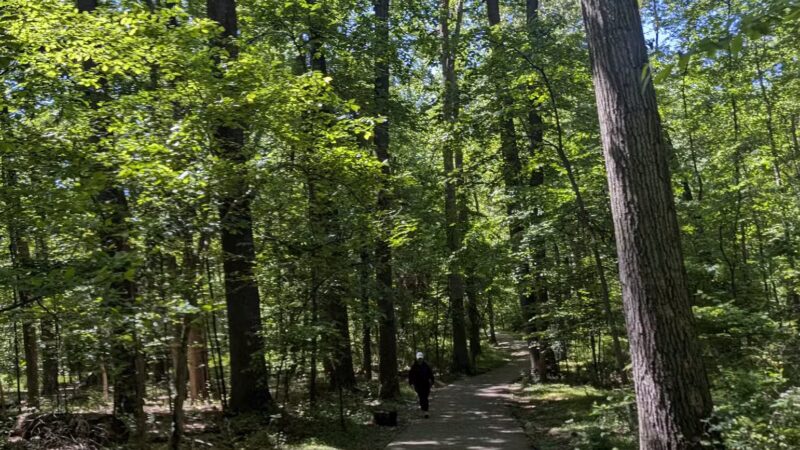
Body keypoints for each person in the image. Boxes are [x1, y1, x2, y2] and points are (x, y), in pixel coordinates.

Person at [408, 351, 435, 418]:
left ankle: (425, 410)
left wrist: (432, 381)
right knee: (421, 397)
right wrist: (411, 383)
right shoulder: (414, 366)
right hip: (418, 384)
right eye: (419, 358)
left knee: (425, 397)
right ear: (417, 359)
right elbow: (410, 375)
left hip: (426, 384)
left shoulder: (426, 366)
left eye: (421, 358)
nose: (420, 360)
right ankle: (425, 411)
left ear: (422, 358)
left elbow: (430, 374)